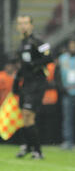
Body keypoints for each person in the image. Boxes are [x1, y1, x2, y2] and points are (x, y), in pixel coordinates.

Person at [13, 15, 52, 159]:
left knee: (28, 115)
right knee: (24, 115)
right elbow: (22, 66)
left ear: (31, 25)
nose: (23, 26)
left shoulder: (38, 41)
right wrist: (16, 82)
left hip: (37, 83)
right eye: (20, 23)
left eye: (25, 23)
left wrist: (34, 64)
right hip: (27, 84)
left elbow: (50, 57)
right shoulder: (22, 43)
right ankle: (28, 146)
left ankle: (37, 151)